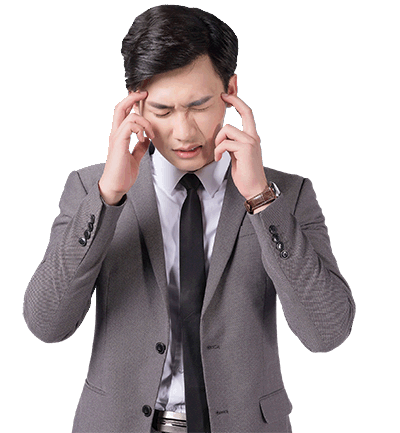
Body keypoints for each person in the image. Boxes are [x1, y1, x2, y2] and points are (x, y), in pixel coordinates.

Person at [22, 4, 356, 433]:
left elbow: (327, 332)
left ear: (231, 90)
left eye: (199, 106)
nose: (183, 132)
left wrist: (260, 199)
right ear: (134, 103)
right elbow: (46, 324)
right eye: (162, 111)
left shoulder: (287, 195)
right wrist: (108, 197)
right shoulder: (90, 188)